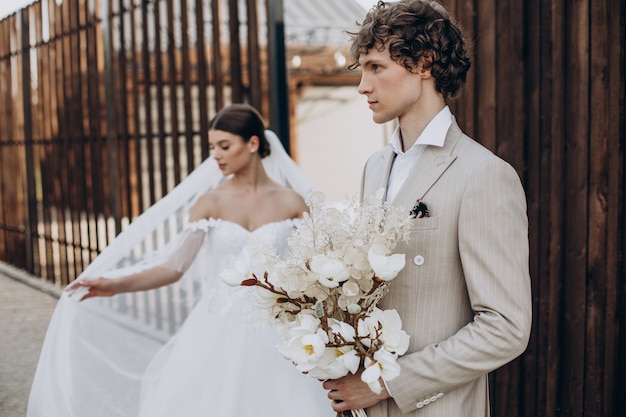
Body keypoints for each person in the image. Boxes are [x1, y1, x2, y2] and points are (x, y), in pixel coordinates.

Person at [28, 103, 333, 417]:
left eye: (224, 146)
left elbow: (312, 268)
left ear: (253, 144)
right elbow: (172, 268)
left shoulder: (292, 202)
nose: (216, 155)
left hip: (278, 327)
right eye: (212, 147)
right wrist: (113, 284)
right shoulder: (209, 202)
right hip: (218, 326)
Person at [322, 1, 532, 416]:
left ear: (424, 63)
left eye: (376, 68)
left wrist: (385, 384)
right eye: (360, 70)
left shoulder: (483, 174)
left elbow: (505, 328)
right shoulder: (375, 166)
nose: (362, 86)